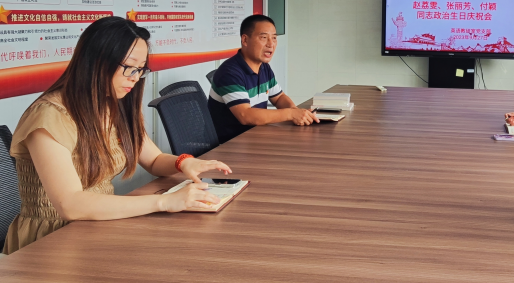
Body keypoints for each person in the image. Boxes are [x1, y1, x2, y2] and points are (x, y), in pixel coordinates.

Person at [3, 16, 232, 255]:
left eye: (140, 69)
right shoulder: (50, 116)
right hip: (51, 241)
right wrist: (164, 202)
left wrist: (183, 162)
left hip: (99, 225)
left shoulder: (113, 104)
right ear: (96, 61)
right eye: (129, 67)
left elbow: (154, 160)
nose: (135, 77)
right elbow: (70, 205)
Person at [208, 15, 318, 143]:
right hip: (230, 144)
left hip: (255, 137)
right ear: (245, 40)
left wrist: (296, 112)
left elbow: (279, 97)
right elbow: (245, 115)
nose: (271, 44)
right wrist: (290, 114)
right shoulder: (230, 73)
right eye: (264, 37)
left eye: (274, 38)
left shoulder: (264, 67)